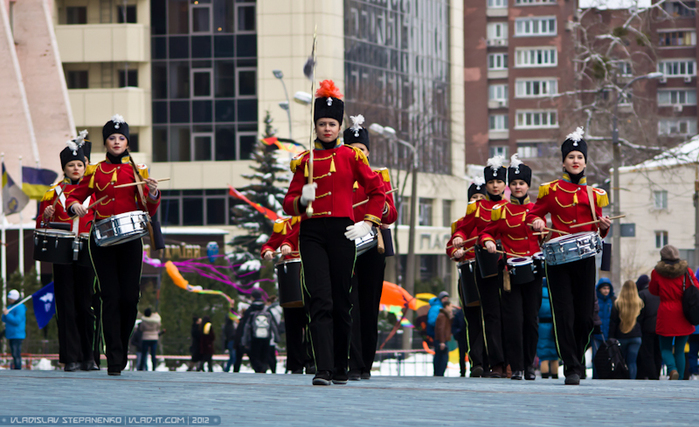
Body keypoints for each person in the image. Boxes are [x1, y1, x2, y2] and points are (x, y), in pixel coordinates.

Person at [282, 80, 386, 386]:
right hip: (312, 232)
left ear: (339, 126)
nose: (327, 129)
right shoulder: (304, 161)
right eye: (322, 124)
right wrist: (302, 200)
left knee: (342, 300)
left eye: (332, 123)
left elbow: (377, 190)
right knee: (320, 299)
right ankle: (323, 368)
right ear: (315, 127)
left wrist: (367, 221)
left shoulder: (352, 157)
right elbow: (288, 203)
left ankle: (342, 364)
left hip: (343, 230)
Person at [66, 114, 160, 376]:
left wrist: (152, 192)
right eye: (111, 138)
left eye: (121, 138)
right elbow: (75, 194)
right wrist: (74, 204)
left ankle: (121, 344)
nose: (116, 142)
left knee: (130, 298)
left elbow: (147, 206)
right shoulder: (95, 170)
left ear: (127, 143)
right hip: (103, 239)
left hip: (131, 240)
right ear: (106, 143)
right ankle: (114, 357)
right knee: (111, 296)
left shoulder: (138, 171)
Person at [529, 127, 611, 385]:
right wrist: (538, 224)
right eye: (571, 157)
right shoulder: (550, 190)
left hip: (585, 259)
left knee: (586, 317)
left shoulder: (595, 194)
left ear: (585, 162)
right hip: (558, 260)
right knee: (563, 313)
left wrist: (604, 226)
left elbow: (600, 230)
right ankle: (572, 367)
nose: (576, 161)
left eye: (580, 157)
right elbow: (534, 214)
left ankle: (575, 355)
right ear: (563, 161)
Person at [36, 139, 98, 372]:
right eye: (71, 165)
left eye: (79, 165)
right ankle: (70, 357)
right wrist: (47, 215)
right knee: (66, 304)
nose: (75, 169)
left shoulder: (93, 192)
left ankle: (89, 357)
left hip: (87, 250)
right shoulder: (53, 193)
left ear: (85, 166)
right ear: (64, 168)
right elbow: (40, 224)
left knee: (86, 304)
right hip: (61, 252)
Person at [345, 115, 398, 381]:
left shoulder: (379, 177)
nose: (358, 154)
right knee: (348, 305)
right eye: (353, 150)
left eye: (362, 150)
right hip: (343, 245)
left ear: (368, 152)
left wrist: (384, 207)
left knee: (368, 306)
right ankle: (352, 362)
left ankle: (365, 362)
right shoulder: (338, 176)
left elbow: (391, 216)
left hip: (371, 248)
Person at [481, 154, 542, 381]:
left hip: (533, 270)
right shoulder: (502, 210)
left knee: (531, 320)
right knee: (513, 320)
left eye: (522, 183)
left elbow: (546, 233)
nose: (518, 187)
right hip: (509, 272)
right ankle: (515, 366)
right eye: (514, 183)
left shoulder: (537, 209)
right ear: (510, 186)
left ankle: (529, 365)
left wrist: (541, 226)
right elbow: (487, 231)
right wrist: (487, 241)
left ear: (528, 185)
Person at [451, 156, 508, 378]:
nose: (495, 185)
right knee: (482, 317)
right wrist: (457, 240)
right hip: (480, 268)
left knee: (509, 315)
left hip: (506, 267)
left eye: (499, 181)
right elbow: (461, 231)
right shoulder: (476, 210)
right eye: (491, 182)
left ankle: (514, 362)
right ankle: (486, 361)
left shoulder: (511, 207)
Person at [447, 179, 488, 377]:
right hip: (468, 275)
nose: (478, 201)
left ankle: (494, 361)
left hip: (489, 273)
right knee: (473, 321)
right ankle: (477, 362)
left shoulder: (493, 219)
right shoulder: (461, 224)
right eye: (474, 198)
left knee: (491, 319)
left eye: (482, 197)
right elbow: (450, 247)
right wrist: (456, 249)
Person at [260, 217, 311, 374]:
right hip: (291, 283)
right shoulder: (284, 225)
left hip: (311, 277)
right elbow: (270, 244)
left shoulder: (314, 219)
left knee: (314, 324)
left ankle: (312, 361)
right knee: (293, 325)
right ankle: (295, 364)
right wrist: (269, 251)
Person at [649, 244, 699, 380]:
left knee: (665, 348)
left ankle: (672, 370)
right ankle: (681, 378)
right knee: (680, 350)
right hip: (683, 313)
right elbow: (696, 287)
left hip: (665, 312)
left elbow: (653, 290)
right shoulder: (686, 271)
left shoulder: (656, 272)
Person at [609, 280, 644, 379]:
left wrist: (611, 337)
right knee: (632, 362)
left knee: (622, 360)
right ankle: (632, 380)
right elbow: (642, 320)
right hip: (636, 336)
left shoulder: (617, 303)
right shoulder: (640, 303)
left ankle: (623, 380)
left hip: (621, 336)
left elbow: (613, 322)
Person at [240, 288, 275, 373]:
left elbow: (246, 326)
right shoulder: (266, 309)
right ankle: (263, 368)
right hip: (266, 337)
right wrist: (275, 337)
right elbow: (272, 324)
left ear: (252, 297)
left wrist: (244, 340)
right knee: (264, 355)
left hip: (253, 337)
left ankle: (259, 369)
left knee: (254, 355)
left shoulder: (250, 310)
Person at [636, 274, 662, 380]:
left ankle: (653, 376)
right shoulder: (659, 294)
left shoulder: (642, 294)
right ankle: (657, 373)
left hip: (647, 329)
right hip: (660, 327)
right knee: (658, 353)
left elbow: (640, 315)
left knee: (648, 354)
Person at [537, 280, 559, 379]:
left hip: (542, 326)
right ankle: (555, 374)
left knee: (543, 353)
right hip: (553, 325)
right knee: (554, 355)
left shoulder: (539, 294)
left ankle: (544, 374)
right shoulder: (554, 293)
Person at [2, 290, 26, 370]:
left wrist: (7, 315)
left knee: (16, 353)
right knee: (13, 353)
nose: (9, 300)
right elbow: (4, 319)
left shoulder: (20, 307)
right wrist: (4, 314)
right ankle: (16, 367)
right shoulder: (11, 306)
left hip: (17, 334)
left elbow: (17, 321)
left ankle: (18, 368)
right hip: (11, 334)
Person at [434, 300, 454, 376]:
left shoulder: (445, 315)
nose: (452, 308)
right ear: (447, 306)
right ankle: (439, 373)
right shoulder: (443, 315)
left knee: (440, 357)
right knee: (442, 358)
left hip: (442, 339)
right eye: (451, 306)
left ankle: (438, 373)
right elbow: (441, 328)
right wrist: (442, 341)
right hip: (442, 340)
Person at [451, 305, 468, 377]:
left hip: (467, 336)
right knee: (462, 355)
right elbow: (455, 326)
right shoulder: (459, 314)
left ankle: (473, 368)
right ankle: (462, 371)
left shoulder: (459, 313)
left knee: (471, 353)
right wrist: (458, 333)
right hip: (462, 337)